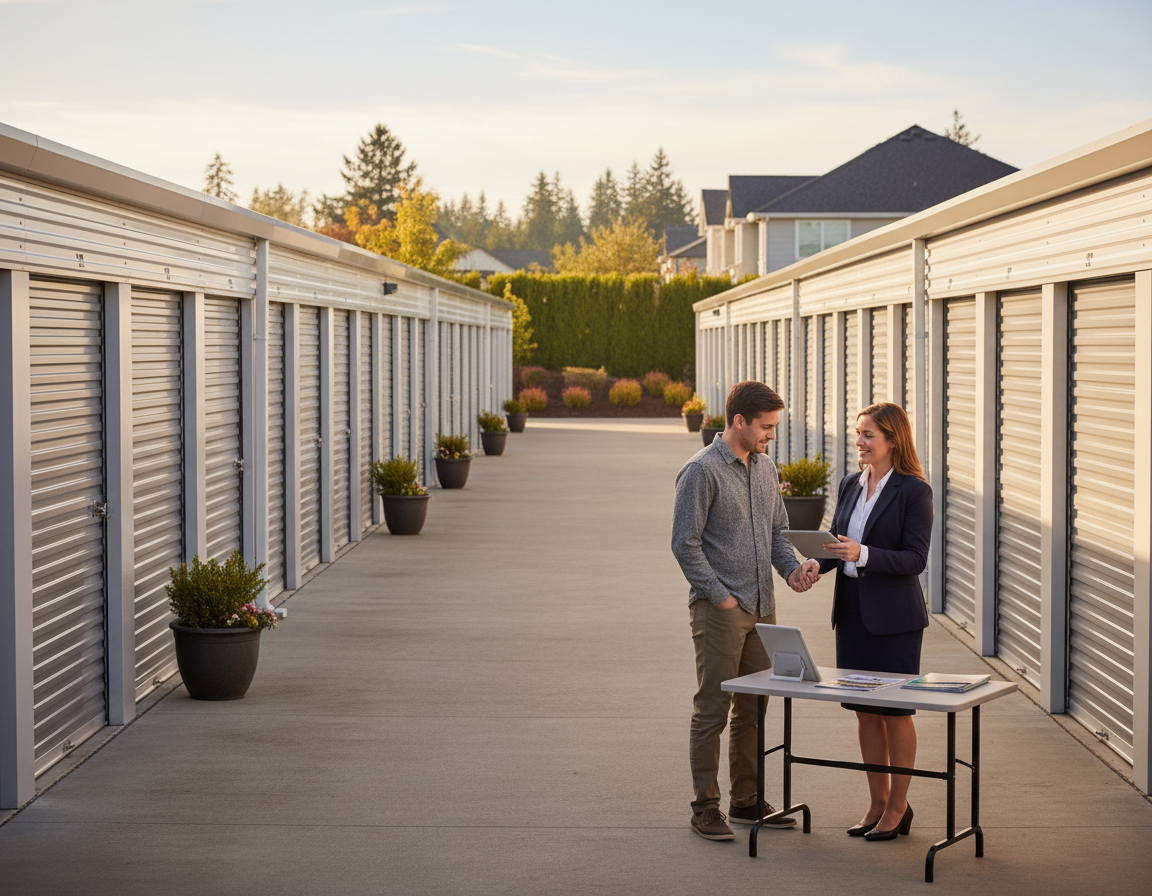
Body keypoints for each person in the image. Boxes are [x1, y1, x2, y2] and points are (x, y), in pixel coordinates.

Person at [672, 380, 821, 841]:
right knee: (713, 708)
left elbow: (777, 532)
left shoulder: (765, 468)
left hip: (763, 608)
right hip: (720, 610)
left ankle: (746, 799)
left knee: (754, 705)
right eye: (766, 427)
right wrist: (721, 596)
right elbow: (684, 543)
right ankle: (705, 807)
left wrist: (792, 571)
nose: (771, 435)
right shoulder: (700, 471)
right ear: (739, 421)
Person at [817, 402, 932, 842]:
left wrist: (861, 553)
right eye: (859, 433)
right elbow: (837, 544)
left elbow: (915, 559)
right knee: (865, 712)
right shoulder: (850, 483)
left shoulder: (914, 491)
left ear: (892, 440)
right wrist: (815, 564)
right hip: (852, 615)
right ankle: (877, 802)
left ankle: (899, 806)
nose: (859, 442)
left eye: (868, 435)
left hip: (895, 621)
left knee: (895, 712)